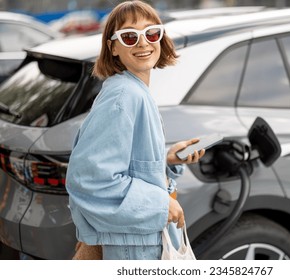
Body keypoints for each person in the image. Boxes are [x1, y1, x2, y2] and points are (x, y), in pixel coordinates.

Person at [65, 0, 205, 260]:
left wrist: (167, 159)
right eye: (129, 37)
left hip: (139, 241)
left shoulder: (133, 90)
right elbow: (90, 178)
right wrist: (160, 204)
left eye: (151, 33)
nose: (143, 43)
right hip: (134, 249)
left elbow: (124, 163)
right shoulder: (123, 96)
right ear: (113, 47)